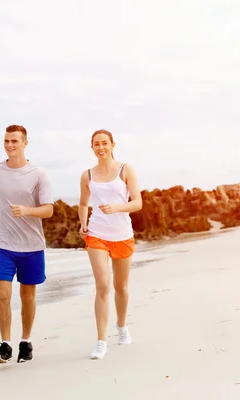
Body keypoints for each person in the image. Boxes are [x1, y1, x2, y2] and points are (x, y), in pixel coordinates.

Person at [0, 124, 54, 364]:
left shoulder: (38, 174)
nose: (10, 145)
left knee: (27, 295)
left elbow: (49, 210)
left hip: (31, 245)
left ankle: (25, 341)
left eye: (14, 141)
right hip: (2, 243)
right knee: (3, 294)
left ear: (25, 143)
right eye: (6, 141)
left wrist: (27, 210)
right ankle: (5, 345)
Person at [78, 129, 143, 360]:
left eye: (104, 143)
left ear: (113, 144)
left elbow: (137, 203)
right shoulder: (87, 175)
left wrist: (117, 207)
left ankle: (122, 326)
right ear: (92, 147)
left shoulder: (126, 169)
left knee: (121, 287)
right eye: (96, 144)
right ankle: (100, 341)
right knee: (103, 286)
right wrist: (83, 223)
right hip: (97, 234)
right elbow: (84, 203)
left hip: (122, 233)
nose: (101, 147)